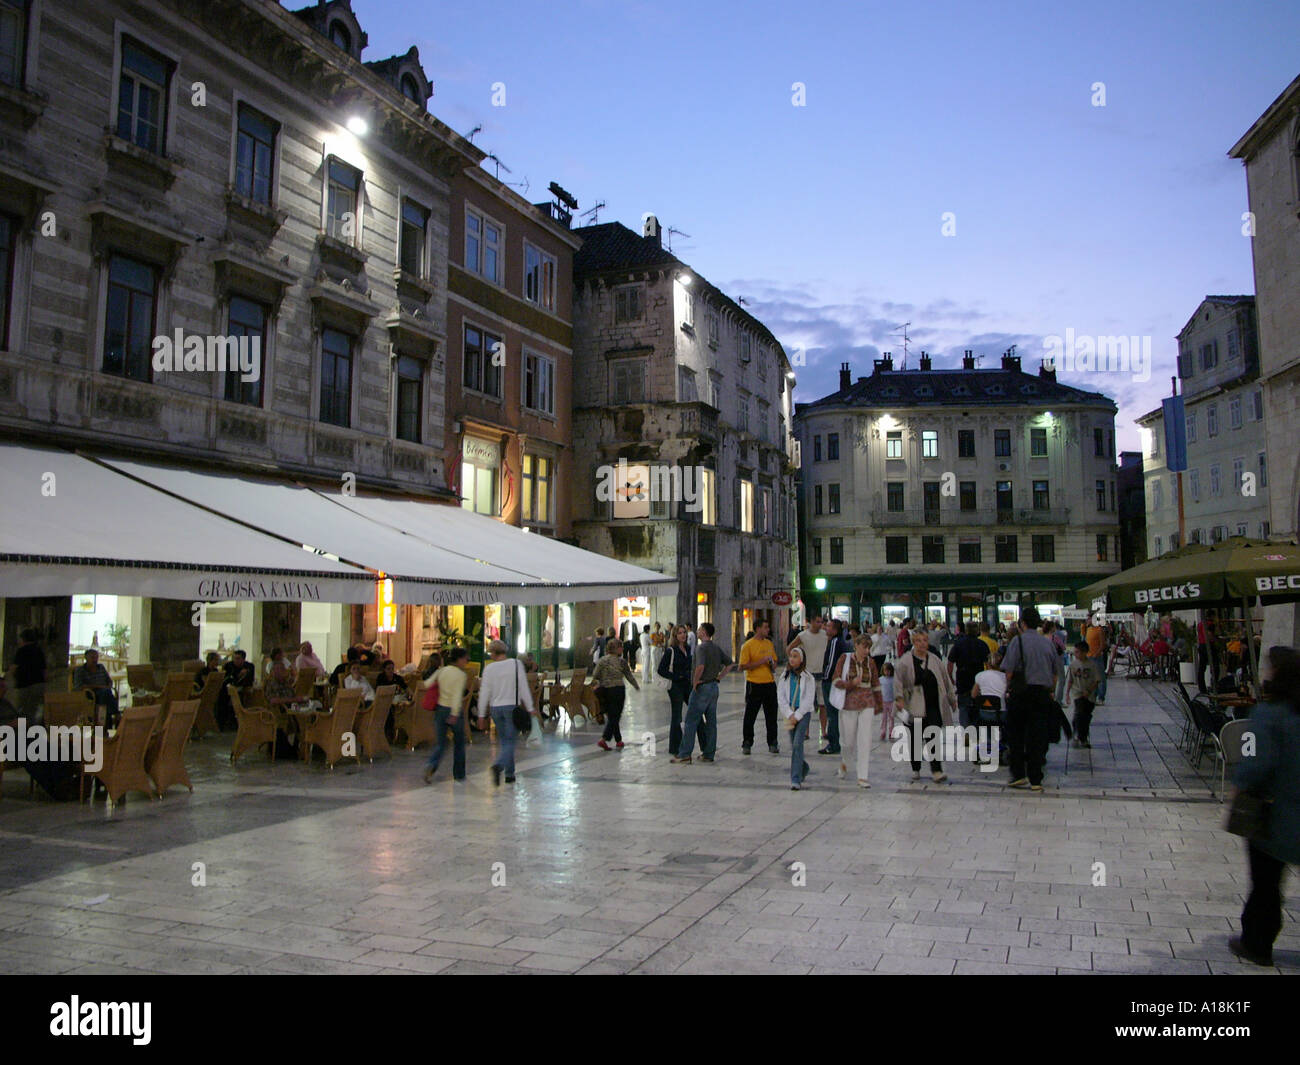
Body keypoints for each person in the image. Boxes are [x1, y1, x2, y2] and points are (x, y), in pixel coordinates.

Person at [1229, 645, 1300, 967]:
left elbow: (1257, 763)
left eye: (1268, 667)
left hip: (1275, 816)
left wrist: (1239, 783)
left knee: (1266, 883)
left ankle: (1257, 943)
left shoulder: (1268, 714)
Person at [1000, 607, 1061, 791]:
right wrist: (1050, 690)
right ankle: (1036, 778)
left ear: (1022, 623)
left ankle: (1019, 774)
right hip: (1041, 695)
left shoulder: (1016, 642)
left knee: (1016, 735)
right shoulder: (1048, 643)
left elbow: (1008, 672)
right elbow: (1055, 673)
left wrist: (1008, 688)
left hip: (1021, 694)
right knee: (1037, 736)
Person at [892, 627, 956, 782]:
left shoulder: (934, 660)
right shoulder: (906, 661)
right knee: (915, 738)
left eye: (925, 640)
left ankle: (936, 770)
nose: (922, 644)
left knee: (933, 736)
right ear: (914, 642)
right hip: (915, 706)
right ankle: (916, 767)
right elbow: (898, 681)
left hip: (934, 704)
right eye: (919, 641)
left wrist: (952, 699)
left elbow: (945, 680)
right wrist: (899, 698)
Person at [671, 622, 734, 764]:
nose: (697, 631)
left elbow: (700, 666)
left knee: (691, 721)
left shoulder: (701, 648)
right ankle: (708, 753)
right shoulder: (716, 648)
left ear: (704, 632)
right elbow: (730, 664)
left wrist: (695, 682)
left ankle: (685, 753)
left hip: (703, 686)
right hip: (713, 686)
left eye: (699, 630)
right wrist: (719, 677)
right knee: (711, 722)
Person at [477, 640, 534, 785]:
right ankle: (499, 766)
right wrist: (530, 707)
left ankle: (510, 774)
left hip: (495, 709)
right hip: (511, 708)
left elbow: (484, 692)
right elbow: (523, 687)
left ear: (493, 653)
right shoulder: (515, 664)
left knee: (505, 741)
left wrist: (481, 714)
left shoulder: (489, 669)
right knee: (510, 741)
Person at [831, 634, 880, 788]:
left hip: (867, 703)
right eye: (864, 647)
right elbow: (835, 680)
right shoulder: (844, 659)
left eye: (869, 648)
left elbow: (876, 684)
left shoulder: (871, 663)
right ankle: (845, 762)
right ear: (856, 645)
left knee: (865, 740)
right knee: (848, 741)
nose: (866, 651)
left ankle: (863, 776)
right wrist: (850, 683)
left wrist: (879, 703)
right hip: (849, 703)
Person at [423, 647, 469, 783]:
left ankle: (431, 764)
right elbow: (456, 696)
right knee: (459, 743)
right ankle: (459, 774)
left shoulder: (441, 671)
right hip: (453, 710)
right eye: (465, 658)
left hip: (440, 709)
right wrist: (454, 714)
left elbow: (426, 684)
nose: (466, 661)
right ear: (459, 659)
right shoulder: (461, 675)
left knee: (441, 743)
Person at [778, 646, 817, 790]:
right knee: (793, 745)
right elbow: (781, 697)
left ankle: (795, 778)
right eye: (791, 656)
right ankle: (803, 767)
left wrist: (798, 715)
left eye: (795, 656)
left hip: (803, 714)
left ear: (801, 659)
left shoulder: (808, 678)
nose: (792, 659)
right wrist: (789, 714)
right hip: (789, 713)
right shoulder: (785, 676)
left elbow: (808, 699)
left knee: (797, 744)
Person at [739, 619, 780, 756]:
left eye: (768, 627)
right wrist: (760, 662)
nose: (768, 629)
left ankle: (773, 742)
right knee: (750, 715)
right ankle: (747, 742)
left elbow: (775, 662)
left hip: (769, 682)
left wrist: (772, 664)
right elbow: (742, 666)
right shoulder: (748, 646)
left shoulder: (769, 643)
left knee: (771, 715)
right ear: (757, 629)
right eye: (765, 627)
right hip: (754, 684)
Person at [787, 616, 830, 747]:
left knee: (823, 705)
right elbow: (790, 647)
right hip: (807, 674)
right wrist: (794, 663)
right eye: (817, 621)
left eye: (821, 622)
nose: (820, 624)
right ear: (810, 622)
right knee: (806, 705)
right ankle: (805, 731)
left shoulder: (825, 635)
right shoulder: (803, 635)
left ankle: (824, 731)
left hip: (821, 674)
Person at [593, 637, 639, 751]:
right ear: (616, 649)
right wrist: (635, 685)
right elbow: (628, 675)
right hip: (618, 689)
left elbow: (595, 674)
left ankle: (619, 740)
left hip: (606, 690)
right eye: (621, 647)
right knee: (616, 715)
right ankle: (604, 739)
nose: (622, 649)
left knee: (612, 715)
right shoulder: (621, 662)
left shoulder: (602, 660)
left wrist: (602, 680)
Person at [947, 622, 989, 746]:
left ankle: (966, 731)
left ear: (965, 630)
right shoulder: (982, 644)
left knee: (964, 706)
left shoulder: (958, 644)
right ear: (977, 631)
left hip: (963, 678)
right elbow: (988, 663)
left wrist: (951, 678)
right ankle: (975, 731)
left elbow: (950, 663)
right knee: (977, 706)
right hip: (978, 679)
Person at [658, 625, 694, 757]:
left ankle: (703, 744)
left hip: (687, 685)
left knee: (695, 712)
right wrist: (676, 676)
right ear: (675, 636)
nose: (683, 635)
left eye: (684, 632)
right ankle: (675, 747)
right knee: (677, 716)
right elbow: (661, 669)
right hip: (675, 687)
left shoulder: (688, 648)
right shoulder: (671, 651)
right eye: (679, 633)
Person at [817, 620, 851, 756]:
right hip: (837, 680)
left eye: (829, 626)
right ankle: (836, 742)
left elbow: (831, 662)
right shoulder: (840, 641)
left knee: (832, 713)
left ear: (835, 630)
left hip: (831, 681)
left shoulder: (835, 642)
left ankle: (833, 744)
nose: (826, 628)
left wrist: (826, 676)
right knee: (835, 713)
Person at [971, 652, 1007, 764]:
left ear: (987, 664)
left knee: (986, 724)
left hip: (984, 712)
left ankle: (985, 746)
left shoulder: (980, 676)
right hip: (1000, 713)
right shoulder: (1005, 677)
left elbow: (974, 694)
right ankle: (999, 747)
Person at [1066, 640, 1102, 748]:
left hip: (1089, 695)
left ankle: (1082, 735)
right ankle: (1081, 737)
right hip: (1077, 693)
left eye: (1078, 652)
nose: (1076, 654)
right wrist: (1067, 693)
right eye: (1075, 652)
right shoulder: (1073, 664)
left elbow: (1097, 680)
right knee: (1079, 713)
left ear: (1085, 652)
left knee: (1085, 716)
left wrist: (1089, 691)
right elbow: (1070, 680)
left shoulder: (1092, 665)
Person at [73, 649, 119, 726]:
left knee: (105, 695)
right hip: (90, 694)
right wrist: (99, 687)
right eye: (92, 657)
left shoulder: (101, 667)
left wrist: (108, 686)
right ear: (86, 658)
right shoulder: (80, 670)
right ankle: (115, 715)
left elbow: (109, 681)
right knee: (106, 694)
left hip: (104, 693)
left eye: (96, 657)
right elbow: (79, 686)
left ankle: (104, 724)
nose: (95, 660)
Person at [12, 628, 46, 720]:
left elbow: (14, 668)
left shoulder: (21, 651)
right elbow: (44, 670)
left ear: (23, 639)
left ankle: (22, 730)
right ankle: (34, 729)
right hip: (39, 684)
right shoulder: (39, 651)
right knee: (34, 709)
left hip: (24, 684)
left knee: (21, 709)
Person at [1085, 613, 1108, 704]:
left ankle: (1101, 698)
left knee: (1101, 678)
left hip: (1096, 657)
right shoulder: (1088, 629)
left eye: (1089, 618)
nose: (1087, 620)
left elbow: (1103, 645)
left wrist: (1096, 653)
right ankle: (1093, 696)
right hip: (1089, 656)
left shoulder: (1099, 630)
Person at [1197, 609, 1220, 694]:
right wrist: (1216, 640)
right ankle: (1214, 684)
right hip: (1209, 645)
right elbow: (1209, 634)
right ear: (1212, 616)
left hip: (1201, 645)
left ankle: (1202, 688)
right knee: (1215, 666)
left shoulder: (1200, 624)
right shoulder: (1210, 624)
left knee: (1202, 668)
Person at [878, 661, 896, 741]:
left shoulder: (894, 679)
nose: (887, 672)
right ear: (883, 671)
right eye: (886, 670)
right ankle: (883, 732)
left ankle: (891, 732)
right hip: (883, 702)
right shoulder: (880, 680)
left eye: (889, 671)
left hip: (892, 701)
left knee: (891, 718)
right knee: (883, 718)